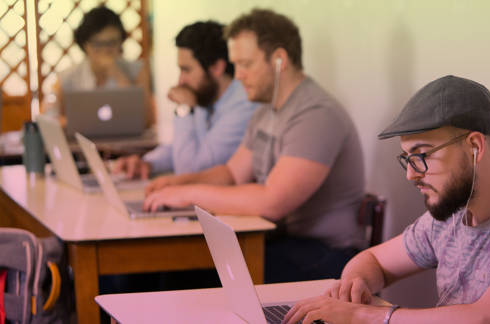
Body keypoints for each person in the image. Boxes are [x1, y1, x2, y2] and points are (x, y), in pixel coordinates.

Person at [283, 75, 490, 324]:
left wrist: (365, 315)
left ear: (475, 146)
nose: (411, 175)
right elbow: (372, 260)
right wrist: (354, 285)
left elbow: (487, 318)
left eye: (421, 155)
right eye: (407, 159)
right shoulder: (454, 209)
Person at [143, 9, 366, 283]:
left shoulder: (316, 114)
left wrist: (188, 194)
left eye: (246, 64)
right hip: (280, 242)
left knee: (185, 275)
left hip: (327, 255)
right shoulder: (265, 110)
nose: (237, 76)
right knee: (166, 270)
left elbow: (271, 202)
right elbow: (232, 174)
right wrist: (177, 184)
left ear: (279, 60)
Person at [114, 21, 257, 179]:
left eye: (186, 70)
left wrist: (185, 109)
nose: (180, 80)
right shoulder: (207, 95)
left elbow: (190, 171)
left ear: (216, 68)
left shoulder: (244, 106)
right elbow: (182, 149)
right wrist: (147, 162)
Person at [43, 5, 154, 125]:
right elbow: (50, 118)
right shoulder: (67, 76)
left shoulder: (137, 70)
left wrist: (117, 74)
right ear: (85, 45)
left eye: (112, 42)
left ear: (121, 41)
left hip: (130, 142)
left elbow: (147, 120)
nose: (105, 50)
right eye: (97, 44)